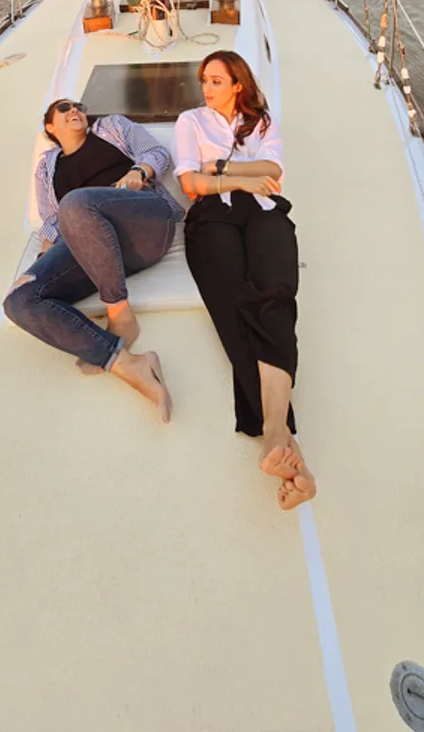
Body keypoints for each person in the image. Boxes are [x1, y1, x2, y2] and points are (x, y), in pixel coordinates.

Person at [173, 50, 316, 509]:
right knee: (234, 303)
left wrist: (220, 169)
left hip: (265, 210)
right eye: (204, 80)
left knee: (276, 294)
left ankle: (273, 439)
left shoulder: (262, 122)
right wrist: (239, 180)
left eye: (217, 80)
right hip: (212, 216)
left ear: (238, 84)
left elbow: (272, 173)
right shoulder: (190, 122)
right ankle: (282, 441)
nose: (207, 88)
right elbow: (188, 184)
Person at [3, 99, 180, 421]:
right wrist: (42, 265)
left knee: (76, 202)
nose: (76, 110)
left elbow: (157, 154)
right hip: (91, 244)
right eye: (65, 108)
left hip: (144, 219)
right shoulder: (47, 166)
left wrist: (137, 173)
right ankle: (128, 363)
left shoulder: (111, 127)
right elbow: (51, 223)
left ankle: (120, 313)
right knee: (19, 299)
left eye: (79, 107)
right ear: (49, 127)